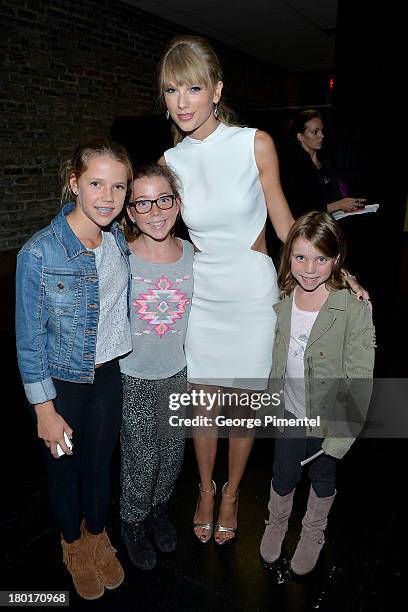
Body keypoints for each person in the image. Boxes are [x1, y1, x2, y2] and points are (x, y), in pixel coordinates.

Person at [157, 35, 295, 545]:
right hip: (204, 294)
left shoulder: (254, 142)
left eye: (194, 87)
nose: (183, 101)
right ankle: (205, 489)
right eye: (172, 90)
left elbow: (282, 221)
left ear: (216, 90)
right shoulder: (171, 160)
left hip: (253, 295)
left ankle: (233, 491)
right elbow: (159, 227)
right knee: (203, 405)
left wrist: (332, 269)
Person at [15, 139, 133, 600]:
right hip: (60, 384)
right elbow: (28, 339)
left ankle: (98, 533)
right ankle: (72, 545)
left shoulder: (117, 239)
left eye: (117, 186)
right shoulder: (39, 253)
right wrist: (44, 408)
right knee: (64, 473)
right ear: (74, 184)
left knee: (100, 467)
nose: (107, 196)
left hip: (108, 377)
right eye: (96, 183)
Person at [259, 211, 375, 575]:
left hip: (328, 419)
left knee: (323, 477)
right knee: (283, 473)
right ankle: (276, 522)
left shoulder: (353, 308)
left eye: (321, 259)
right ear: (288, 256)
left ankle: (313, 532)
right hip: (289, 412)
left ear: (336, 259)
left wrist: (341, 434)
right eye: (300, 257)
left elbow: (360, 376)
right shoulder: (281, 296)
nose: (309, 268)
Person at [119, 164, 193, 569]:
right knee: (140, 454)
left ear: (177, 205)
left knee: (172, 451)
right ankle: (133, 518)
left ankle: (160, 507)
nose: (155, 210)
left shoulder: (193, 255)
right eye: (142, 203)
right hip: (134, 376)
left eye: (163, 199)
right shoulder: (122, 257)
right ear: (130, 212)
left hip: (177, 371)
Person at [280, 109, 368, 218]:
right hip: (310, 228)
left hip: (331, 222)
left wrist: (349, 203)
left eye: (321, 130)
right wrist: (339, 205)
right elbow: (299, 209)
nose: (322, 135)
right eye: (315, 132)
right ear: (300, 137)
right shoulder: (293, 167)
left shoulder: (325, 161)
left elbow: (334, 194)